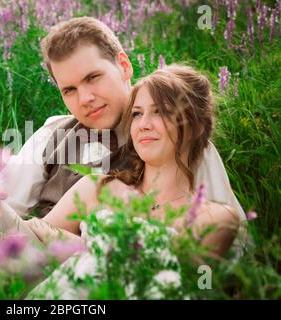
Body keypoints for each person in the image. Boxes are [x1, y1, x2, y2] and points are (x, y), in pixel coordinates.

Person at [0, 17, 247, 255]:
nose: (85, 98)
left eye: (92, 78)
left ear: (123, 66)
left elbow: (234, 245)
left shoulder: (179, 142)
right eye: (68, 90)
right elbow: (4, 201)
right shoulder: (53, 134)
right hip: (45, 262)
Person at [24, 64, 241, 299]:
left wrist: (73, 244)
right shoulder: (97, 187)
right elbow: (28, 244)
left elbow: (160, 285)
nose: (144, 124)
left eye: (161, 111)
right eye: (137, 113)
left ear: (196, 127)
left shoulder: (215, 219)